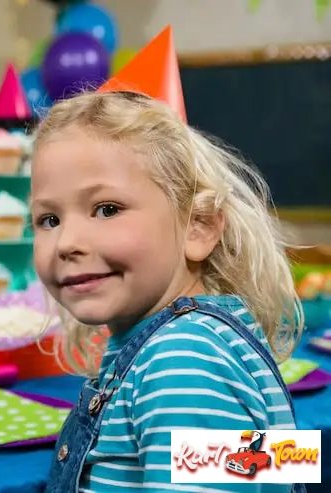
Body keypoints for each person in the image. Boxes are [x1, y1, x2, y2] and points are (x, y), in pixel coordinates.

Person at [31, 28, 305, 493]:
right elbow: (279, 465)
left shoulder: (183, 361)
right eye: (49, 219)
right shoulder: (194, 343)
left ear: (198, 227)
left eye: (107, 209)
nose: (66, 242)